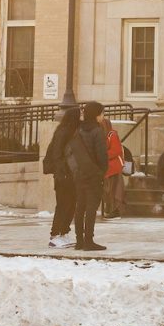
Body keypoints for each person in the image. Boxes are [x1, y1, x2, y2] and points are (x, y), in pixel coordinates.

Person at [67, 102, 110, 252]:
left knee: (80, 207)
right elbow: (102, 155)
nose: (103, 116)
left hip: (80, 174)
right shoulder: (97, 131)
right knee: (91, 207)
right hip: (93, 174)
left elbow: (71, 152)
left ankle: (79, 240)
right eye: (102, 113)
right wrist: (102, 171)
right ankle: (88, 241)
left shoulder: (78, 130)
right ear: (96, 114)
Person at [43, 105, 81, 248]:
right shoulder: (63, 132)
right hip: (63, 175)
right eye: (80, 115)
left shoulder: (70, 131)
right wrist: (62, 172)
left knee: (71, 204)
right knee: (63, 204)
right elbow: (57, 154)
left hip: (69, 175)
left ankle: (64, 232)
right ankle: (55, 234)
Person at [104, 124, 128, 218]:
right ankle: (111, 208)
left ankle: (116, 210)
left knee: (115, 190)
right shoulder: (104, 136)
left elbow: (116, 150)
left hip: (114, 167)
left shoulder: (112, 135)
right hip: (108, 168)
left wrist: (103, 154)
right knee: (109, 190)